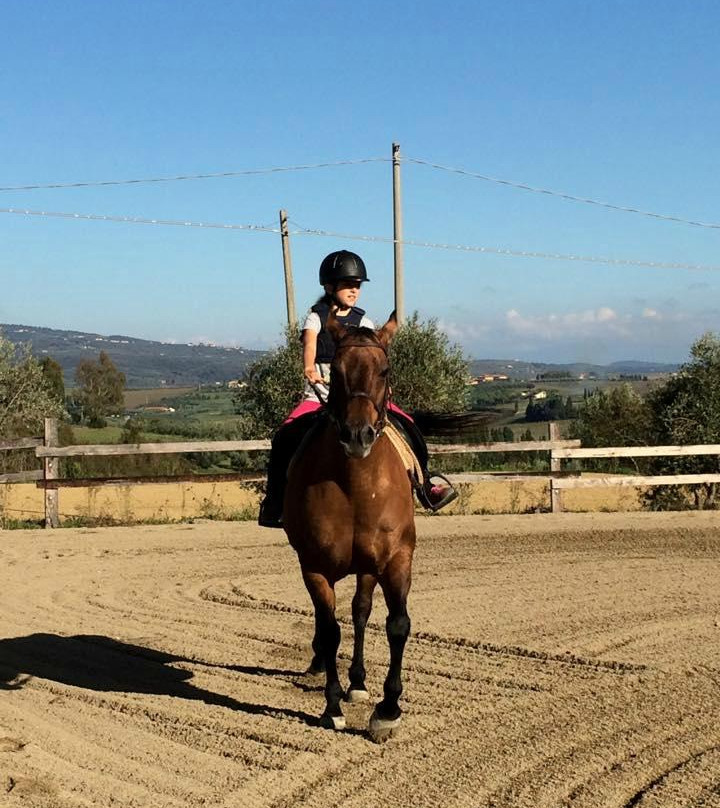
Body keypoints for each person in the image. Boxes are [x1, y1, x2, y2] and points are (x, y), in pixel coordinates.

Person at [258, 250, 457, 528]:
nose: (354, 290)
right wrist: (309, 367)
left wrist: (382, 386)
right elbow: (310, 344)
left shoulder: (364, 322)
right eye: (348, 285)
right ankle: (275, 500)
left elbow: (373, 358)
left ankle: (426, 485)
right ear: (330, 287)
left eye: (357, 285)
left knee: (408, 425)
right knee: (284, 436)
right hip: (320, 392)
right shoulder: (316, 317)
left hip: (362, 393)